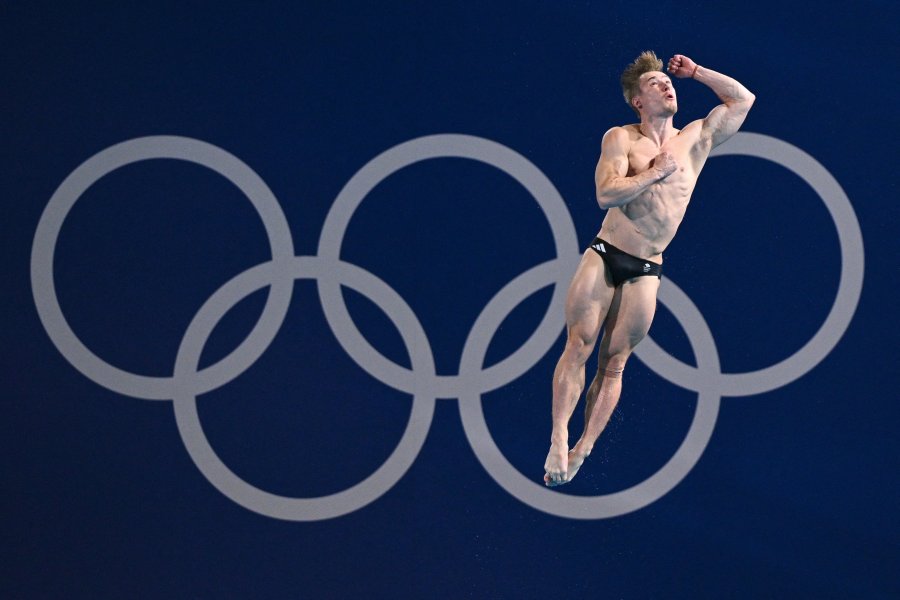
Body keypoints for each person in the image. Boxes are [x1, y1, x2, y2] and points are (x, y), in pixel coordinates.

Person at [543, 51, 755, 486]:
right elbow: (606, 195)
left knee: (615, 364)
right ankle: (559, 437)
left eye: (668, 81)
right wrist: (654, 174)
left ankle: (585, 447)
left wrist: (697, 72)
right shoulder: (621, 138)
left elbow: (742, 100)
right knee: (579, 346)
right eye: (654, 83)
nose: (666, 86)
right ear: (637, 101)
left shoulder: (696, 138)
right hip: (604, 254)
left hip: (646, 267)